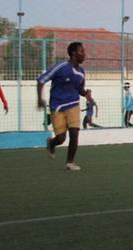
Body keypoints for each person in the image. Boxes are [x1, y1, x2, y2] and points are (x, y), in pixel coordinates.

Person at [37, 42, 89, 171]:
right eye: (82, 52)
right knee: (61, 138)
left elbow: (79, 89)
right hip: (57, 106)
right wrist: (39, 98)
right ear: (73, 53)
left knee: (74, 132)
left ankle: (70, 163)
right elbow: (41, 80)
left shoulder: (81, 72)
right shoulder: (61, 67)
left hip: (73, 104)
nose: (84, 54)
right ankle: (52, 143)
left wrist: (85, 93)